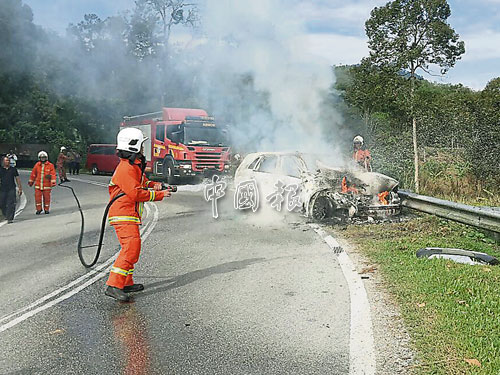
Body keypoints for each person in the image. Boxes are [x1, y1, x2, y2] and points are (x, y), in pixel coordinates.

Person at [105, 128, 170, 302]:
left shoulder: (133, 167)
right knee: (131, 247)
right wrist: (159, 195)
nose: (143, 149)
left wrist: (157, 185)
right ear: (133, 147)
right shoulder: (125, 169)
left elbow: (143, 183)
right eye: (141, 145)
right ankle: (113, 285)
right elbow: (135, 193)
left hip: (129, 214)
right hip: (122, 214)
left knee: (131, 248)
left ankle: (126, 282)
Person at [0, 156, 22, 223]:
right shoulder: (0, 170)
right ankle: (5, 214)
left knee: (11, 203)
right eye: (6, 160)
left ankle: (10, 217)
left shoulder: (13, 169)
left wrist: (20, 188)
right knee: (2, 203)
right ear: (3, 162)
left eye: (8, 160)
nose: (8, 162)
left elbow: (17, 178)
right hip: (3, 189)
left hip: (11, 188)